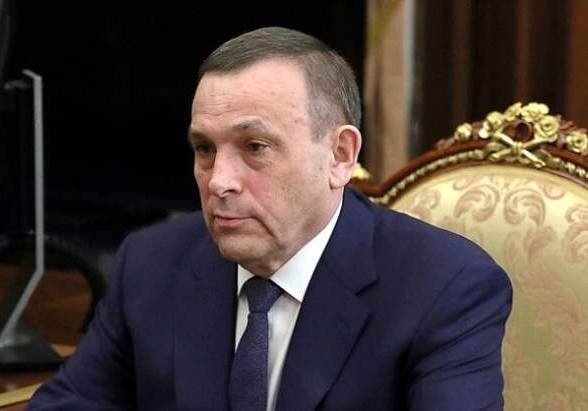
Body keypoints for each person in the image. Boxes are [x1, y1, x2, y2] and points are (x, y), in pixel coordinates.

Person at [28, 27, 512, 410]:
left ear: (339, 155)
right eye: (204, 149)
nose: (219, 181)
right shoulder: (151, 262)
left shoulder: (444, 286)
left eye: (255, 147)